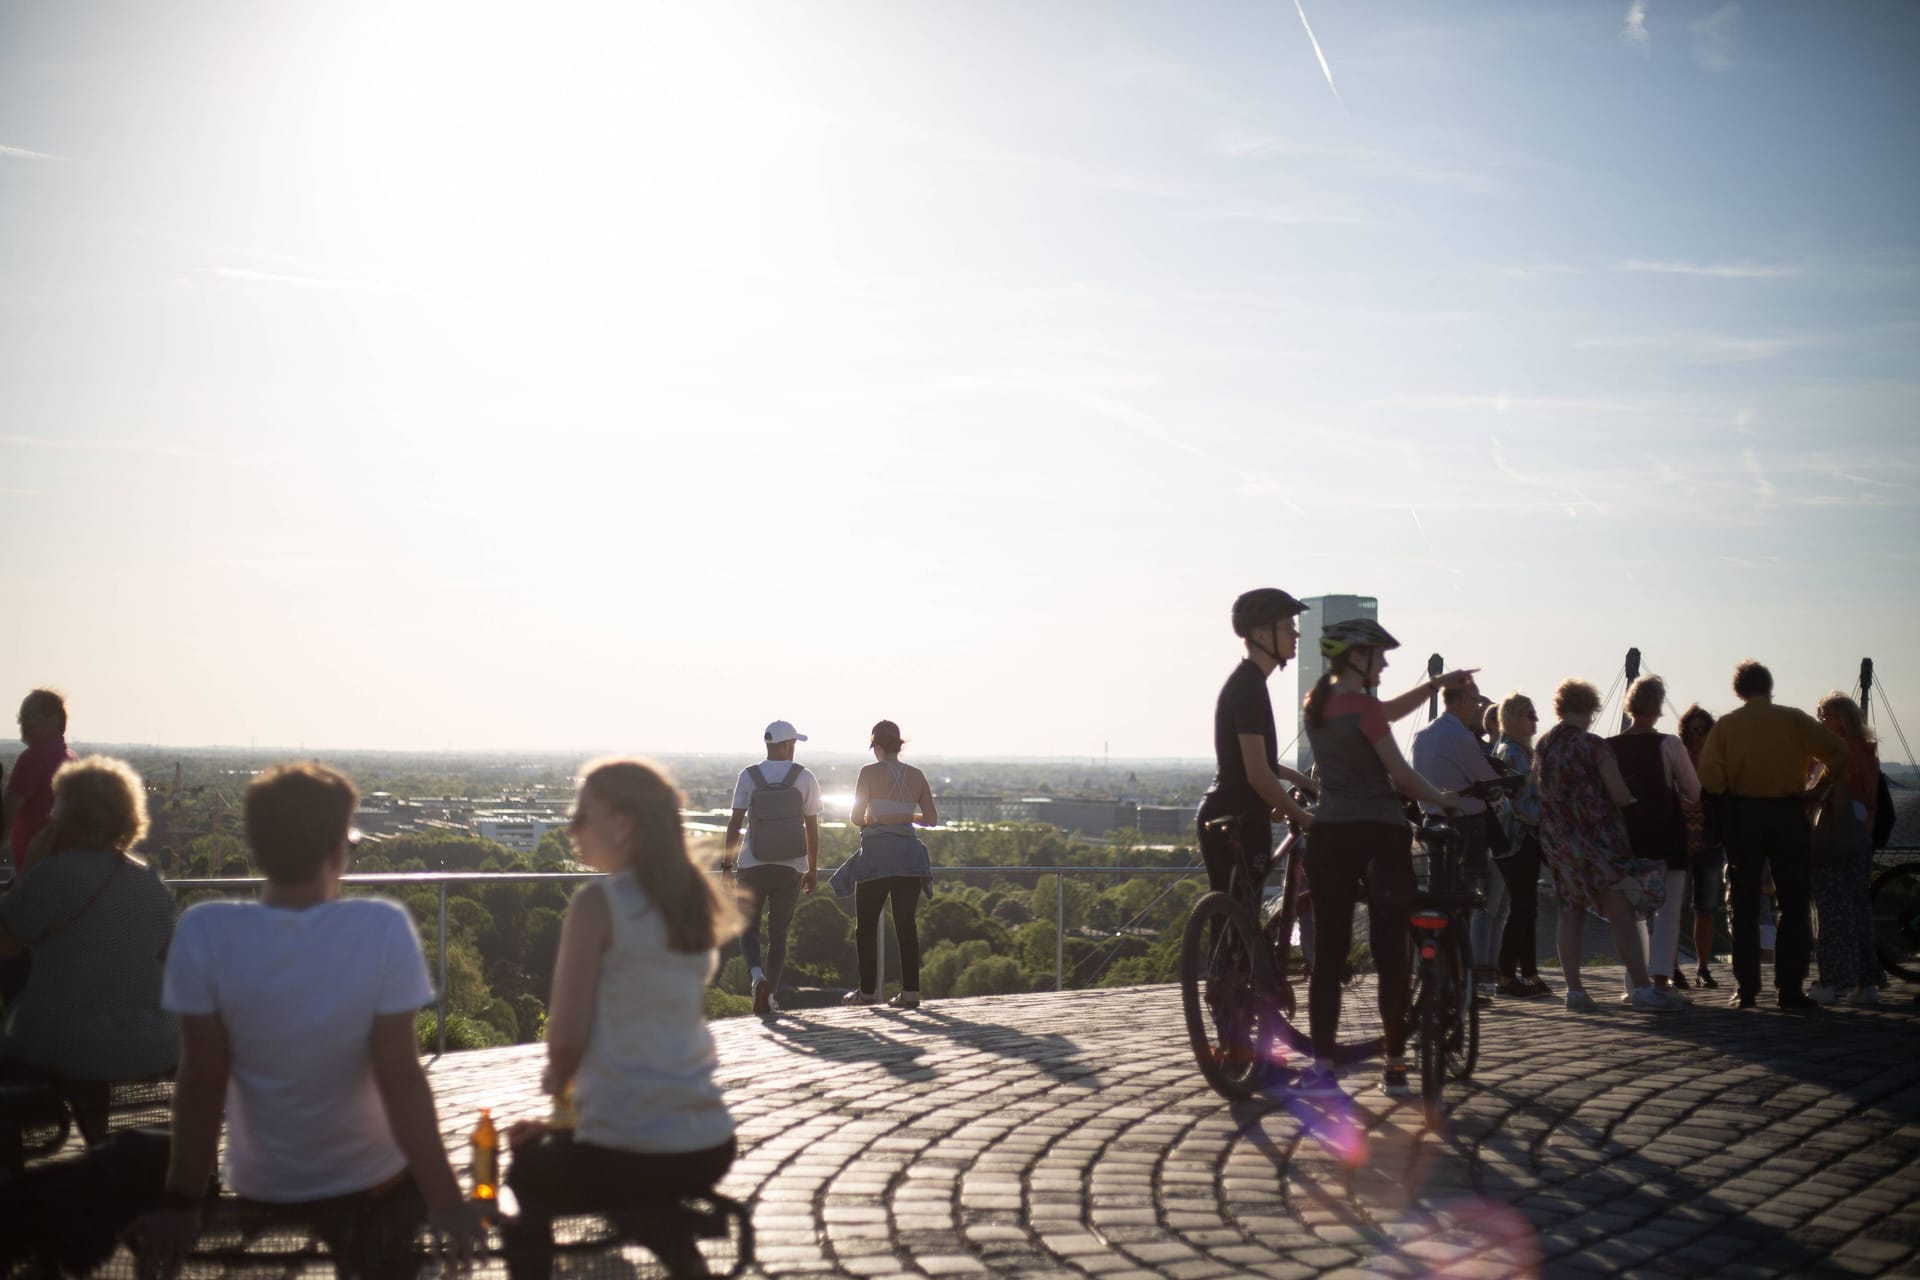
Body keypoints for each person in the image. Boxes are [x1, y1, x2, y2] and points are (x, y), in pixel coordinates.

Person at [131, 763, 485, 1278]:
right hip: (371, 1185)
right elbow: (400, 1077)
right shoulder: (381, 927)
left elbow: (203, 1078)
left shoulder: (203, 930)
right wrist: (446, 1200)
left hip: (261, 1182)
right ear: (338, 847)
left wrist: (181, 1200)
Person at [503, 759, 741, 1280]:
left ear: (623, 824)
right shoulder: (692, 902)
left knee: (528, 1173)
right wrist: (558, 1125)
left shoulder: (599, 904)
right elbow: (644, 1049)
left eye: (582, 815)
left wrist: (555, 1104)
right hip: (707, 1139)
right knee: (622, 1184)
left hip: (637, 1144)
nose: (571, 828)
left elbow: (564, 1044)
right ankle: (679, 1253)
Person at [1298, 618, 1468, 1098]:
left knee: (1328, 956)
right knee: (1390, 951)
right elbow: (1402, 777)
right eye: (1379, 655)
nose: (1386, 662)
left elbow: (1384, 711)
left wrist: (1434, 686)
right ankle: (1394, 1066)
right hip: (1381, 834)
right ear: (1356, 657)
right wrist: (1446, 799)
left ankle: (1324, 1066)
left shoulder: (1319, 703)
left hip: (1330, 834)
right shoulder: (1364, 709)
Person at [0, 757, 177, 1166]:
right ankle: (104, 1152)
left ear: (66, 814)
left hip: (70, 1042)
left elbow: (6, 945)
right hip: (154, 1038)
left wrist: (30, 869)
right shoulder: (149, 883)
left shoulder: (53, 877)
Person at [1697, 660, 1849, 1010]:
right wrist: (1817, 789)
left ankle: (1747, 988)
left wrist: (1730, 793)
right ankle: (1789, 989)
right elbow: (1839, 753)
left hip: (1743, 817)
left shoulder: (1726, 726)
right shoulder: (1794, 719)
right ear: (1769, 687)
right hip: (1788, 814)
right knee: (1794, 904)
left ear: (1739, 691)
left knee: (1746, 905)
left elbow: (1710, 777)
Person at [1536, 679, 1677, 1011]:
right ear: (1590, 708)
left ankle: (1575, 991)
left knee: (1570, 914)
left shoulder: (1544, 745)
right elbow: (1617, 792)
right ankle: (1642, 989)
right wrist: (1631, 799)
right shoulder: (1593, 745)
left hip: (1560, 844)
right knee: (1620, 913)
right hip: (1597, 843)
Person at [1196, 590, 1319, 898]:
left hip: (1229, 810)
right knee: (1239, 921)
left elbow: (1248, 760)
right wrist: (1302, 817)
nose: (1296, 633)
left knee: (1233, 926)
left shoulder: (1247, 682)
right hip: (1239, 817)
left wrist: (1298, 778)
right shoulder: (1249, 688)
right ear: (1262, 634)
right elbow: (1257, 774)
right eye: (1288, 627)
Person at [1609, 676, 1701, 999]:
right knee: (1668, 910)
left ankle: (1635, 981)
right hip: (1666, 835)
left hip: (1626, 839)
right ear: (1659, 706)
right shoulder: (1669, 745)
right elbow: (1694, 790)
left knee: (1632, 913)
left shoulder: (1610, 746)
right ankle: (1660, 980)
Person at [721, 721, 821, 1017]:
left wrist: (726, 867)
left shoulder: (748, 776)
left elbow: (735, 825)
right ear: (789, 744)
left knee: (747, 929)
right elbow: (812, 829)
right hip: (790, 868)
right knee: (779, 935)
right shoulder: (804, 777)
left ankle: (757, 978)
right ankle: (771, 996)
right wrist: (812, 869)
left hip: (752, 864)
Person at [1412, 681, 1504, 1000]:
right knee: (1464, 905)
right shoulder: (1462, 738)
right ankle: (1460, 979)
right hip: (1464, 826)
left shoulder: (1421, 736)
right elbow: (1488, 780)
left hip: (1430, 823)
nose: (1479, 709)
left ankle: (1432, 975)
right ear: (1463, 701)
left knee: (1435, 899)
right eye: (1477, 702)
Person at [836, 721, 938, 1009]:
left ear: (877, 746)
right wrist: (905, 816)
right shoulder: (916, 775)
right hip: (909, 857)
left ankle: (866, 992)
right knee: (906, 925)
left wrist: (879, 818)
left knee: (865, 927)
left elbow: (857, 817)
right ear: (899, 744)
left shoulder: (868, 773)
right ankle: (910, 992)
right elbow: (931, 818)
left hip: (876, 858)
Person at [1807, 693, 1880, 1005]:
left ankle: (1833, 981)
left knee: (1832, 909)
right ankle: (1866, 981)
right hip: (1860, 834)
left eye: (1826, 715)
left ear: (1840, 719)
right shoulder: (1867, 753)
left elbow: (1819, 788)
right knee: (1858, 907)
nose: (1821, 720)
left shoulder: (1836, 752)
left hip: (1832, 833)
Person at [1492, 694, 1552, 998]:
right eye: (1530, 715)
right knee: (1522, 908)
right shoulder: (1513, 753)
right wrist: (1548, 817)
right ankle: (1506, 974)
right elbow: (1522, 804)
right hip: (1519, 840)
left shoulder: (1511, 749)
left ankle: (1528, 973)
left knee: (1526, 908)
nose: (1536, 721)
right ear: (1515, 717)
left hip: (1517, 840)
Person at [5, 690, 78, 879]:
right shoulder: (71, 758)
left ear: (53, 719)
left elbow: (4, 819)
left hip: (37, 878)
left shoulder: (33, 758)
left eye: (29, 716)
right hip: (66, 876)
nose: (22, 723)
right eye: (21, 717)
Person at [1677, 706, 1725, 988]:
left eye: (1704, 729)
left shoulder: (1718, 762)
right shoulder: (1678, 758)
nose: (1699, 735)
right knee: (1676, 908)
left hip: (1710, 842)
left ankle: (1703, 968)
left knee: (1706, 909)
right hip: (1681, 844)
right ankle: (1672, 966)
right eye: (1694, 730)